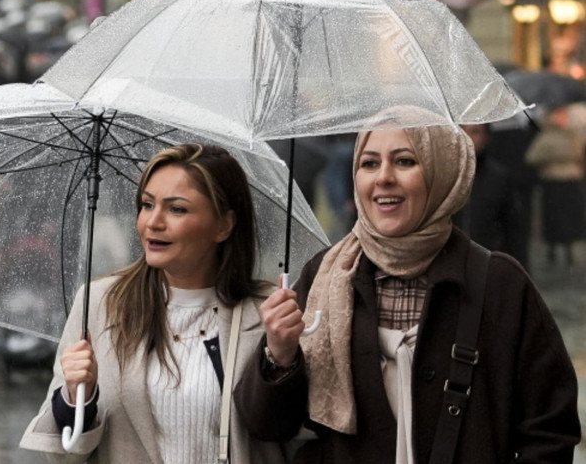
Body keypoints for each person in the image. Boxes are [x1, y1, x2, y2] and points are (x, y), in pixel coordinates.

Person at [235, 115, 581, 462]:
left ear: (440, 173)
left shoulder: (500, 284)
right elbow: (267, 427)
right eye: (369, 163)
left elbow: (550, 431)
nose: (384, 177)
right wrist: (279, 354)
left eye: (405, 161)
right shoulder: (324, 276)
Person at [20, 143, 287, 463]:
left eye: (177, 209)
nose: (153, 222)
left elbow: (292, 437)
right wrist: (80, 397)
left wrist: (282, 359)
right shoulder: (102, 304)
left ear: (224, 225)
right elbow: (63, 456)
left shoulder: (270, 314)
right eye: (147, 205)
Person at [525, 107, 586, 267]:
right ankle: (563, 250)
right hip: (563, 182)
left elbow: (532, 157)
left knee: (559, 217)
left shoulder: (552, 137)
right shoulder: (567, 136)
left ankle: (559, 249)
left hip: (559, 182)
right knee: (562, 217)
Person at [455, 123, 524, 261]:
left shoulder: (499, 178)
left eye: (475, 132)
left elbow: (513, 229)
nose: (467, 138)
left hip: (489, 262)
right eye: (462, 131)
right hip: (451, 263)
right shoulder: (442, 175)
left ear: (486, 137)